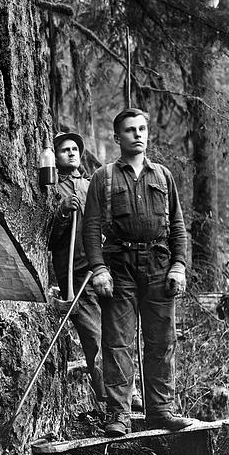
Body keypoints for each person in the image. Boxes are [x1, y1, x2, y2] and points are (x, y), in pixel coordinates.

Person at [83, 108, 192, 437]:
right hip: (119, 267)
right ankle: (119, 415)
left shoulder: (163, 176)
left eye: (142, 128)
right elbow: (90, 230)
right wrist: (99, 268)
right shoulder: (103, 177)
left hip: (159, 266)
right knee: (118, 342)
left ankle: (161, 410)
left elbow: (177, 226)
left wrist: (179, 264)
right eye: (130, 130)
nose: (138, 134)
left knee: (161, 340)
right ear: (118, 138)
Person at [48, 132, 106, 405]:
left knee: (116, 331)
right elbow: (47, 238)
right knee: (93, 334)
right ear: (56, 158)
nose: (71, 153)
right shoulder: (52, 189)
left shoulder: (92, 185)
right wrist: (61, 211)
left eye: (75, 149)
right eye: (64, 150)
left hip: (102, 269)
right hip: (74, 272)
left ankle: (126, 391)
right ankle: (108, 395)